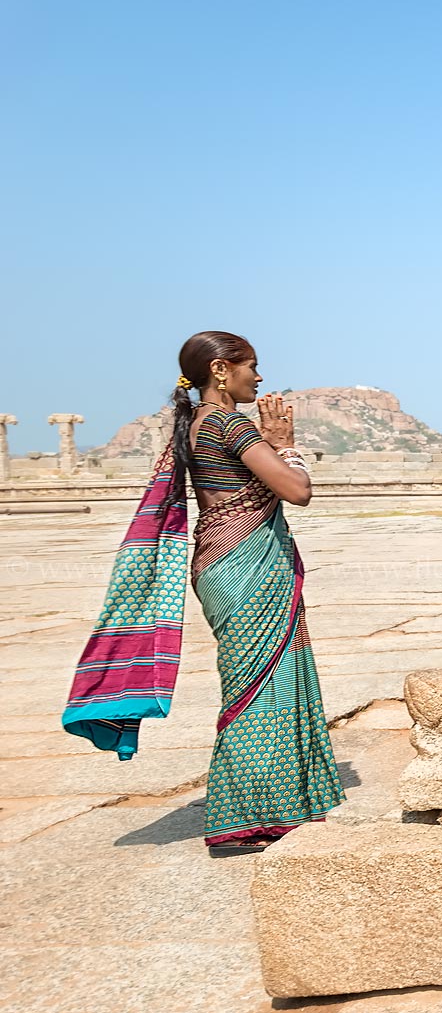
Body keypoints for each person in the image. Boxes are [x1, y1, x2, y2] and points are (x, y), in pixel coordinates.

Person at [63, 331, 343, 855]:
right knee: (258, 689)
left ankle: (280, 805)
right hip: (245, 567)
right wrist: (284, 442)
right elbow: (296, 490)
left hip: (224, 558)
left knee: (265, 680)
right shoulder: (226, 421)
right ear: (221, 370)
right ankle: (245, 816)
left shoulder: (195, 422)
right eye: (251, 367)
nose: (259, 378)